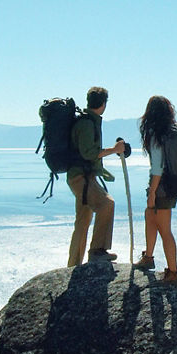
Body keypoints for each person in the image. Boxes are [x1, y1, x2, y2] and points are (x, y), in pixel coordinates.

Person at [67, 86, 127, 267]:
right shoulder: (87, 124)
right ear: (103, 104)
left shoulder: (88, 121)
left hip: (82, 177)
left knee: (83, 220)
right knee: (107, 204)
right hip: (82, 179)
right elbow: (89, 153)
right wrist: (115, 150)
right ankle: (97, 251)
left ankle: (74, 265)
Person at [134, 95, 177, 285]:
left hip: (160, 185)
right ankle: (149, 257)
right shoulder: (170, 132)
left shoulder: (156, 134)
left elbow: (157, 167)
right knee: (150, 216)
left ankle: (173, 273)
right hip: (170, 185)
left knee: (164, 228)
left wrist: (152, 192)